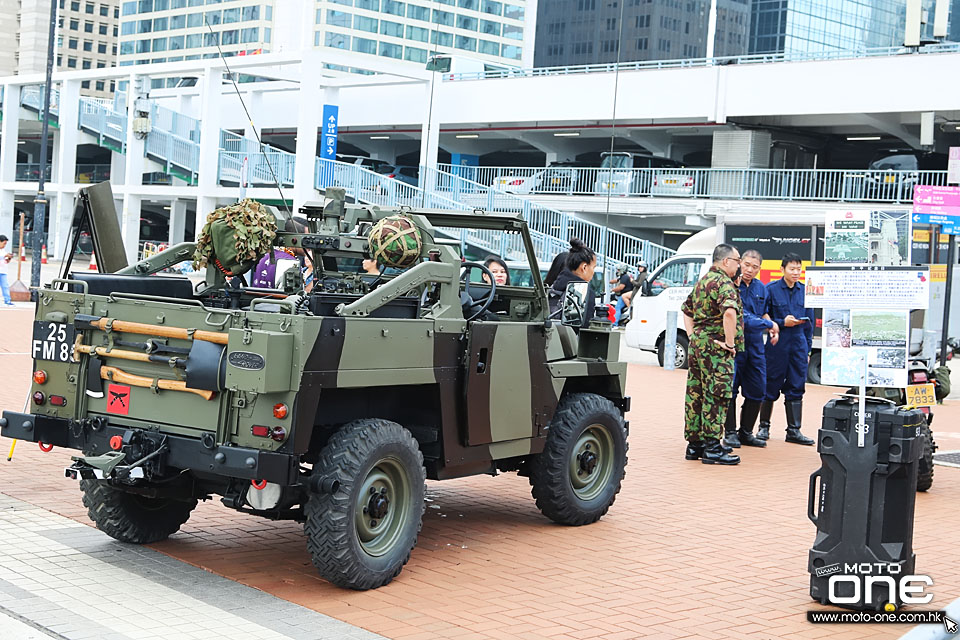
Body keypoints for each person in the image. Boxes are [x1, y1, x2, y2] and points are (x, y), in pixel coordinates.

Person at [681, 243, 743, 465]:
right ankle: (713, 447)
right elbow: (729, 313)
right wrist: (729, 342)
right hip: (716, 349)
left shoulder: (703, 282)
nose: (739, 266)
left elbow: (686, 310)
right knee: (716, 395)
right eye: (737, 261)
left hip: (698, 346)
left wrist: (693, 335)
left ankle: (694, 445)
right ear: (726, 261)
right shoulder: (724, 283)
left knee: (696, 394)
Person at [723, 249, 779, 449]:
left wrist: (772, 326)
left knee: (758, 388)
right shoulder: (730, 285)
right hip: (735, 344)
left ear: (759, 269)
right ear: (739, 263)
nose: (749, 270)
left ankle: (746, 432)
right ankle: (729, 432)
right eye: (746, 265)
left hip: (755, 345)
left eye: (754, 267)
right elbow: (741, 317)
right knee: (730, 389)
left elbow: (763, 314)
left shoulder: (761, 288)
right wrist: (769, 325)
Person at [758, 252, 815, 446]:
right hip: (777, 344)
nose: (796, 273)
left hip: (798, 345)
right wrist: (782, 322)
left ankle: (794, 430)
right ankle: (763, 427)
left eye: (799, 269)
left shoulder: (804, 291)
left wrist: (807, 350)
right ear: (782, 269)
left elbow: (810, 324)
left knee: (797, 385)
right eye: (792, 269)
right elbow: (762, 317)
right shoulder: (771, 289)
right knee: (770, 384)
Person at [549, 239, 596, 328]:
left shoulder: (555, 285)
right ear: (584, 267)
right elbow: (585, 328)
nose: (593, 272)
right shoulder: (584, 291)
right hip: (570, 340)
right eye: (593, 267)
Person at [0, 235, 13, 306]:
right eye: (3, 243)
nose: (4, 245)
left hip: (3, 271)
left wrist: (8, 259)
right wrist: (4, 256)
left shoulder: (3, 251)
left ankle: (7, 300)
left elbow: (5, 261)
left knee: (5, 286)